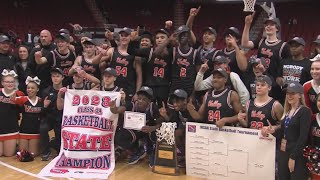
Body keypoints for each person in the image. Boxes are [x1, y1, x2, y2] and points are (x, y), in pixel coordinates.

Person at [110, 86, 164, 168]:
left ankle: (152, 153)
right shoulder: (131, 105)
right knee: (121, 135)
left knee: (155, 132)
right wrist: (113, 107)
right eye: (139, 98)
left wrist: (152, 128)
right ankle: (137, 149)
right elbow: (117, 110)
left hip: (147, 132)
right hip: (135, 132)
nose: (140, 101)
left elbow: (161, 122)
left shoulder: (153, 107)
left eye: (144, 99)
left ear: (149, 101)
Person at [242, 14, 291, 101]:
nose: (268, 26)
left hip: (274, 83)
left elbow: (286, 67)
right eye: (267, 25)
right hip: (261, 80)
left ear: (277, 28)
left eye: (271, 24)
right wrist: (247, 24)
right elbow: (245, 43)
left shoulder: (284, 46)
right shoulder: (261, 41)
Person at [278, 81, 311, 180]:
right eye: (288, 94)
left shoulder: (304, 111)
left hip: (296, 152)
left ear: (300, 95)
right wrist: (272, 132)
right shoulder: (287, 112)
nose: (289, 96)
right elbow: (283, 133)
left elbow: (303, 137)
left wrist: (293, 156)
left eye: (293, 93)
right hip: (284, 151)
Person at [101, 27, 142, 103]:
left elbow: (139, 76)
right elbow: (97, 62)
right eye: (122, 35)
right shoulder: (112, 51)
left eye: (126, 35)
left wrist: (137, 92)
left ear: (130, 37)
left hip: (128, 89)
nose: (124, 37)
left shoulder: (135, 54)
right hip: (113, 88)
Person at [159, 89, 195, 167]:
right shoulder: (176, 110)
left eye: (177, 102)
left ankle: (188, 157)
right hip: (185, 131)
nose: (174, 104)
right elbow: (172, 122)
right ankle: (182, 155)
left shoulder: (192, 108)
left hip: (195, 134)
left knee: (181, 134)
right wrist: (165, 115)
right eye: (174, 102)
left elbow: (199, 121)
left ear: (185, 101)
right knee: (174, 132)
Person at [40, 68, 64, 161]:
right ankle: (46, 150)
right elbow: (41, 112)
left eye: (57, 76)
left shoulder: (66, 91)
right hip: (49, 118)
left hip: (61, 119)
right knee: (43, 128)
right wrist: (45, 106)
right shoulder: (46, 91)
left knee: (58, 146)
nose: (55, 78)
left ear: (62, 77)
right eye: (53, 76)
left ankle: (54, 143)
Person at [14, 76, 42, 156]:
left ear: (37, 89)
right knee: (22, 155)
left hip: (35, 131)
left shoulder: (41, 100)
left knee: (33, 154)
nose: (30, 90)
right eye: (28, 88)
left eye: (33, 88)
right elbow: (11, 98)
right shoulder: (22, 99)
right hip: (24, 130)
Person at [0, 69, 24, 156]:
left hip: (11, 129)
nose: (10, 84)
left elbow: (24, 111)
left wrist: (17, 103)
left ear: (14, 83)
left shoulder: (19, 94)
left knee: (8, 154)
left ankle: (17, 144)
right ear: (2, 83)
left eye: (12, 82)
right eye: (7, 82)